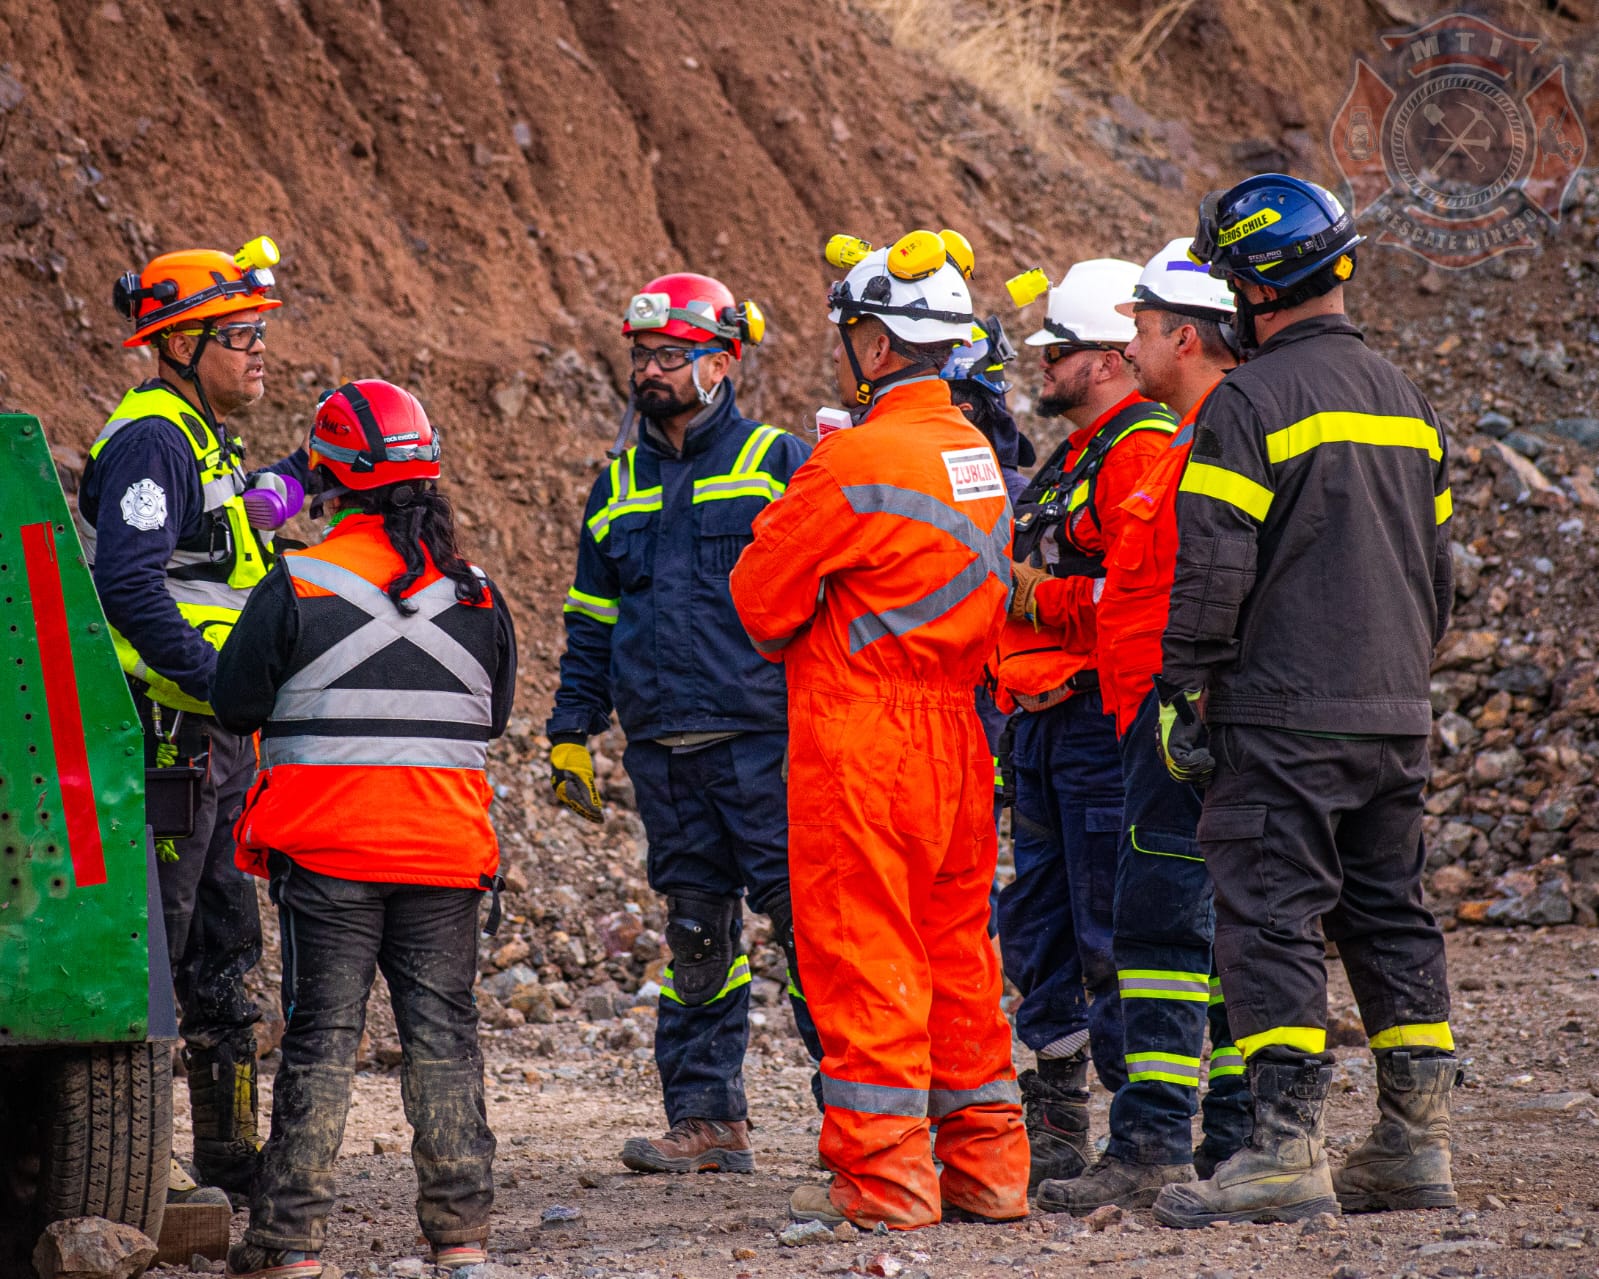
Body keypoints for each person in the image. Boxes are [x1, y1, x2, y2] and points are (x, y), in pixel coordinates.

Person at [1150, 175, 1457, 1228]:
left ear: (1255, 286)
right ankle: (1414, 1146)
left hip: (1280, 713)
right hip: (1393, 710)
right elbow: (1439, 571)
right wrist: (1397, 674)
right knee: (1389, 913)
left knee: (1271, 914)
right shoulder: (1406, 398)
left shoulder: (1249, 401)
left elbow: (1212, 568)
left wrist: (1183, 687)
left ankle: (1284, 1153)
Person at [731, 228, 1027, 1230]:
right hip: (958, 735)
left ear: (875, 345)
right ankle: (988, 1169)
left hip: (863, 735)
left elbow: (760, 601)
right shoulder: (975, 452)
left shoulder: (851, 458)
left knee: (865, 954)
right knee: (959, 958)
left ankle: (887, 1180)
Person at [211, 380, 517, 1276]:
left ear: (329, 479)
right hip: (443, 850)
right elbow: (494, 715)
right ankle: (460, 1237)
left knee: (320, 1041)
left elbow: (234, 703)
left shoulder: (297, 582)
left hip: (330, 852)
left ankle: (289, 1242)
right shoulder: (478, 595)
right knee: (444, 1037)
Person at [546, 274, 819, 1174]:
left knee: (812, 930)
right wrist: (570, 729)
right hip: (664, 751)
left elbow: (830, 600)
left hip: (766, 742)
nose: (650, 370)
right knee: (697, 935)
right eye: (641, 355)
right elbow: (591, 619)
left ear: (721, 361)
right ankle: (707, 1120)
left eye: (671, 354)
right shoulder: (616, 484)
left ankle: (862, 1121)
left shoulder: (778, 462)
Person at [75, 237, 310, 1204]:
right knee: (162, 949)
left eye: (259, 332)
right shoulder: (152, 440)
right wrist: (220, 684)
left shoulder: (203, 437)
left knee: (224, 942)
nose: (259, 350)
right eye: (241, 334)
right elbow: (129, 587)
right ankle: (141, 1167)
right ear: (180, 344)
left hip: (212, 735)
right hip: (172, 731)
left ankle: (228, 1161)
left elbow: (215, 561)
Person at [1035, 238, 1249, 1214]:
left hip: (1180, 716)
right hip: (1151, 713)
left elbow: (1191, 592)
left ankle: (1160, 1139)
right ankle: (1227, 1131)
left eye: (1144, 327)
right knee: (1198, 927)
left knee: (1162, 925)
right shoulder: (1183, 439)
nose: (1129, 346)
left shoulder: (1193, 443)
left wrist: (1036, 598)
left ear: (1186, 336)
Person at [990, 260, 1177, 1189]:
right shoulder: (1073, 457)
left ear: (1105, 358)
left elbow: (1139, 599)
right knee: (1040, 929)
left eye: (1056, 351)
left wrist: (1041, 597)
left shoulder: (1137, 450)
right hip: (1041, 724)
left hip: (1100, 725)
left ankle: (1142, 1139)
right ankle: (1059, 1119)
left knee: (1109, 928)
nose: (1044, 366)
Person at [941, 318, 1033, 928]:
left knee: (964, 881)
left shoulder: (1012, 496)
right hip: (954, 716)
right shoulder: (1012, 489)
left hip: (987, 716)